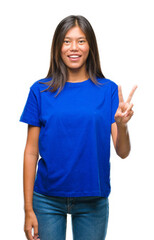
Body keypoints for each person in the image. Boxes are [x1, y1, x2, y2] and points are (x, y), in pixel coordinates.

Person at [21, 15, 136, 240]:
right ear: (58, 47)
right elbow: (31, 152)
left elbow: (122, 152)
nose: (74, 48)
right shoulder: (40, 90)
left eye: (81, 41)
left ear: (90, 46)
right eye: (67, 41)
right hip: (47, 199)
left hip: (93, 198)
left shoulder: (109, 90)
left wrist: (122, 126)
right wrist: (28, 209)